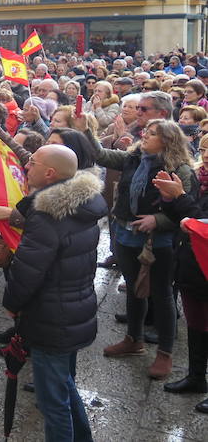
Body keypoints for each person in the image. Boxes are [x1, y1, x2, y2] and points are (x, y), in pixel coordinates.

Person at [2, 145, 105, 441]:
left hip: (52, 315)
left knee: (52, 402)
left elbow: (28, 269)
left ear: (49, 174)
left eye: (31, 162)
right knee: (64, 384)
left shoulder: (49, 214)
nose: (26, 166)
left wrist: (12, 303)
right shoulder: (81, 204)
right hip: (74, 307)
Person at [84, 116, 194, 379]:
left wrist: (157, 219)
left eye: (152, 133)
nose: (144, 135)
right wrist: (85, 128)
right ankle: (134, 339)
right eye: (145, 131)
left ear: (167, 142)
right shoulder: (134, 157)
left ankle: (165, 353)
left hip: (157, 241)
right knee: (134, 288)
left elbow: (187, 211)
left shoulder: (180, 170)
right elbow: (100, 154)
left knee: (161, 294)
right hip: (125, 233)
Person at [153, 168, 208, 413]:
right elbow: (182, 221)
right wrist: (169, 198)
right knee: (196, 325)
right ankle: (196, 377)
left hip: (203, 264)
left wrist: (181, 197)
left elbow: (199, 225)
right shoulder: (201, 180)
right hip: (192, 266)